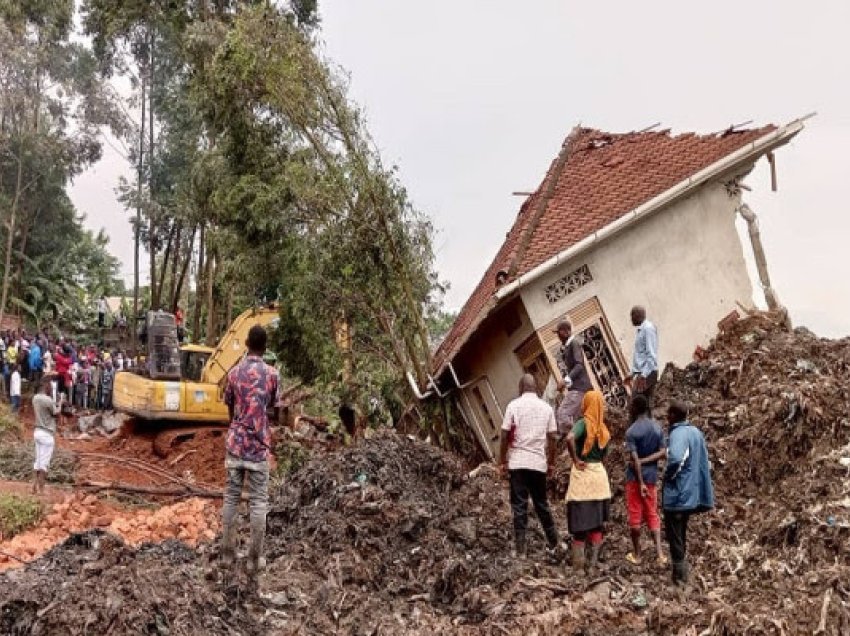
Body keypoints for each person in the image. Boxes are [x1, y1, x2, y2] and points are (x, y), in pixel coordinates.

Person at [220, 325, 279, 586]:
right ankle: (254, 560)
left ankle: (227, 555)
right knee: (258, 503)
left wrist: (237, 427)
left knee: (231, 498)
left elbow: (229, 407)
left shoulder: (233, 373)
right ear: (265, 347)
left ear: (245, 343)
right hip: (258, 448)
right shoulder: (272, 375)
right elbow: (273, 410)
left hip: (236, 445)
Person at [498, 373, 561, 561]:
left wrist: (502, 461)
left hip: (518, 463)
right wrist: (551, 462)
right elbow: (553, 438)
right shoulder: (546, 408)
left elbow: (503, 435)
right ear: (536, 388)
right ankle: (555, 542)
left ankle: (521, 551)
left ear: (521, 388)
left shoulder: (513, 406)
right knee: (542, 504)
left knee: (519, 506)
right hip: (538, 464)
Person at [661, 400, 715, 585]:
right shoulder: (695, 432)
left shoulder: (678, 433)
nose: (667, 418)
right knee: (681, 532)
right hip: (691, 494)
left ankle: (680, 579)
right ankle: (682, 573)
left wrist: (668, 476)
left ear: (674, 416)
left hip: (678, 494)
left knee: (675, 535)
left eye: (669, 414)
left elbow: (676, 458)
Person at [565, 390, 612, 571]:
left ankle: (578, 568)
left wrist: (575, 459)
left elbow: (569, 438)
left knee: (579, 527)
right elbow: (604, 456)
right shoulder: (604, 430)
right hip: (599, 479)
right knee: (596, 525)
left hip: (583, 479)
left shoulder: (583, 424)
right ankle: (592, 566)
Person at [624, 394, 666, 565]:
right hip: (652, 477)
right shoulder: (657, 428)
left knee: (635, 514)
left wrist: (640, 476)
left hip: (635, 479)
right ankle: (660, 554)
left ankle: (637, 554)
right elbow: (663, 452)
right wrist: (648, 460)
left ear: (634, 409)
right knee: (652, 512)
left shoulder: (631, 432)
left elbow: (635, 460)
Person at [554, 319, 592, 434]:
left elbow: (579, 365)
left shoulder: (574, 343)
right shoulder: (568, 347)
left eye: (559, 333)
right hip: (578, 388)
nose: (558, 337)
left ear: (566, 332)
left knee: (562, 414)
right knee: (577, 418)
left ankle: (573, 438)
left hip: (580, 388)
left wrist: (565, 381)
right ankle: (582, 438)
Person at [32, 379, 62, 494]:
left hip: (37, 431)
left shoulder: (35, 398)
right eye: (50, 386)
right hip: (47, 434)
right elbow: (56, 413)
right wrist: (61, 403)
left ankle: (34, 486)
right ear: (45, 386)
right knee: (44, 463)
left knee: (38, 461)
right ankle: (42, 490)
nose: (51, 389)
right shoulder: (48, 400)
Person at [625, 306, 658, 406]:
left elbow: (651, 354)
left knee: (636, 405)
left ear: (637, 316)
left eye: (632, 316)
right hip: (643, 373)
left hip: (647, 373)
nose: (631, 319)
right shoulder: (642, 330)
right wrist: (632, 374)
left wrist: (643, 376)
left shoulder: (648, 329)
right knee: (641, 406)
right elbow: (641, 355)